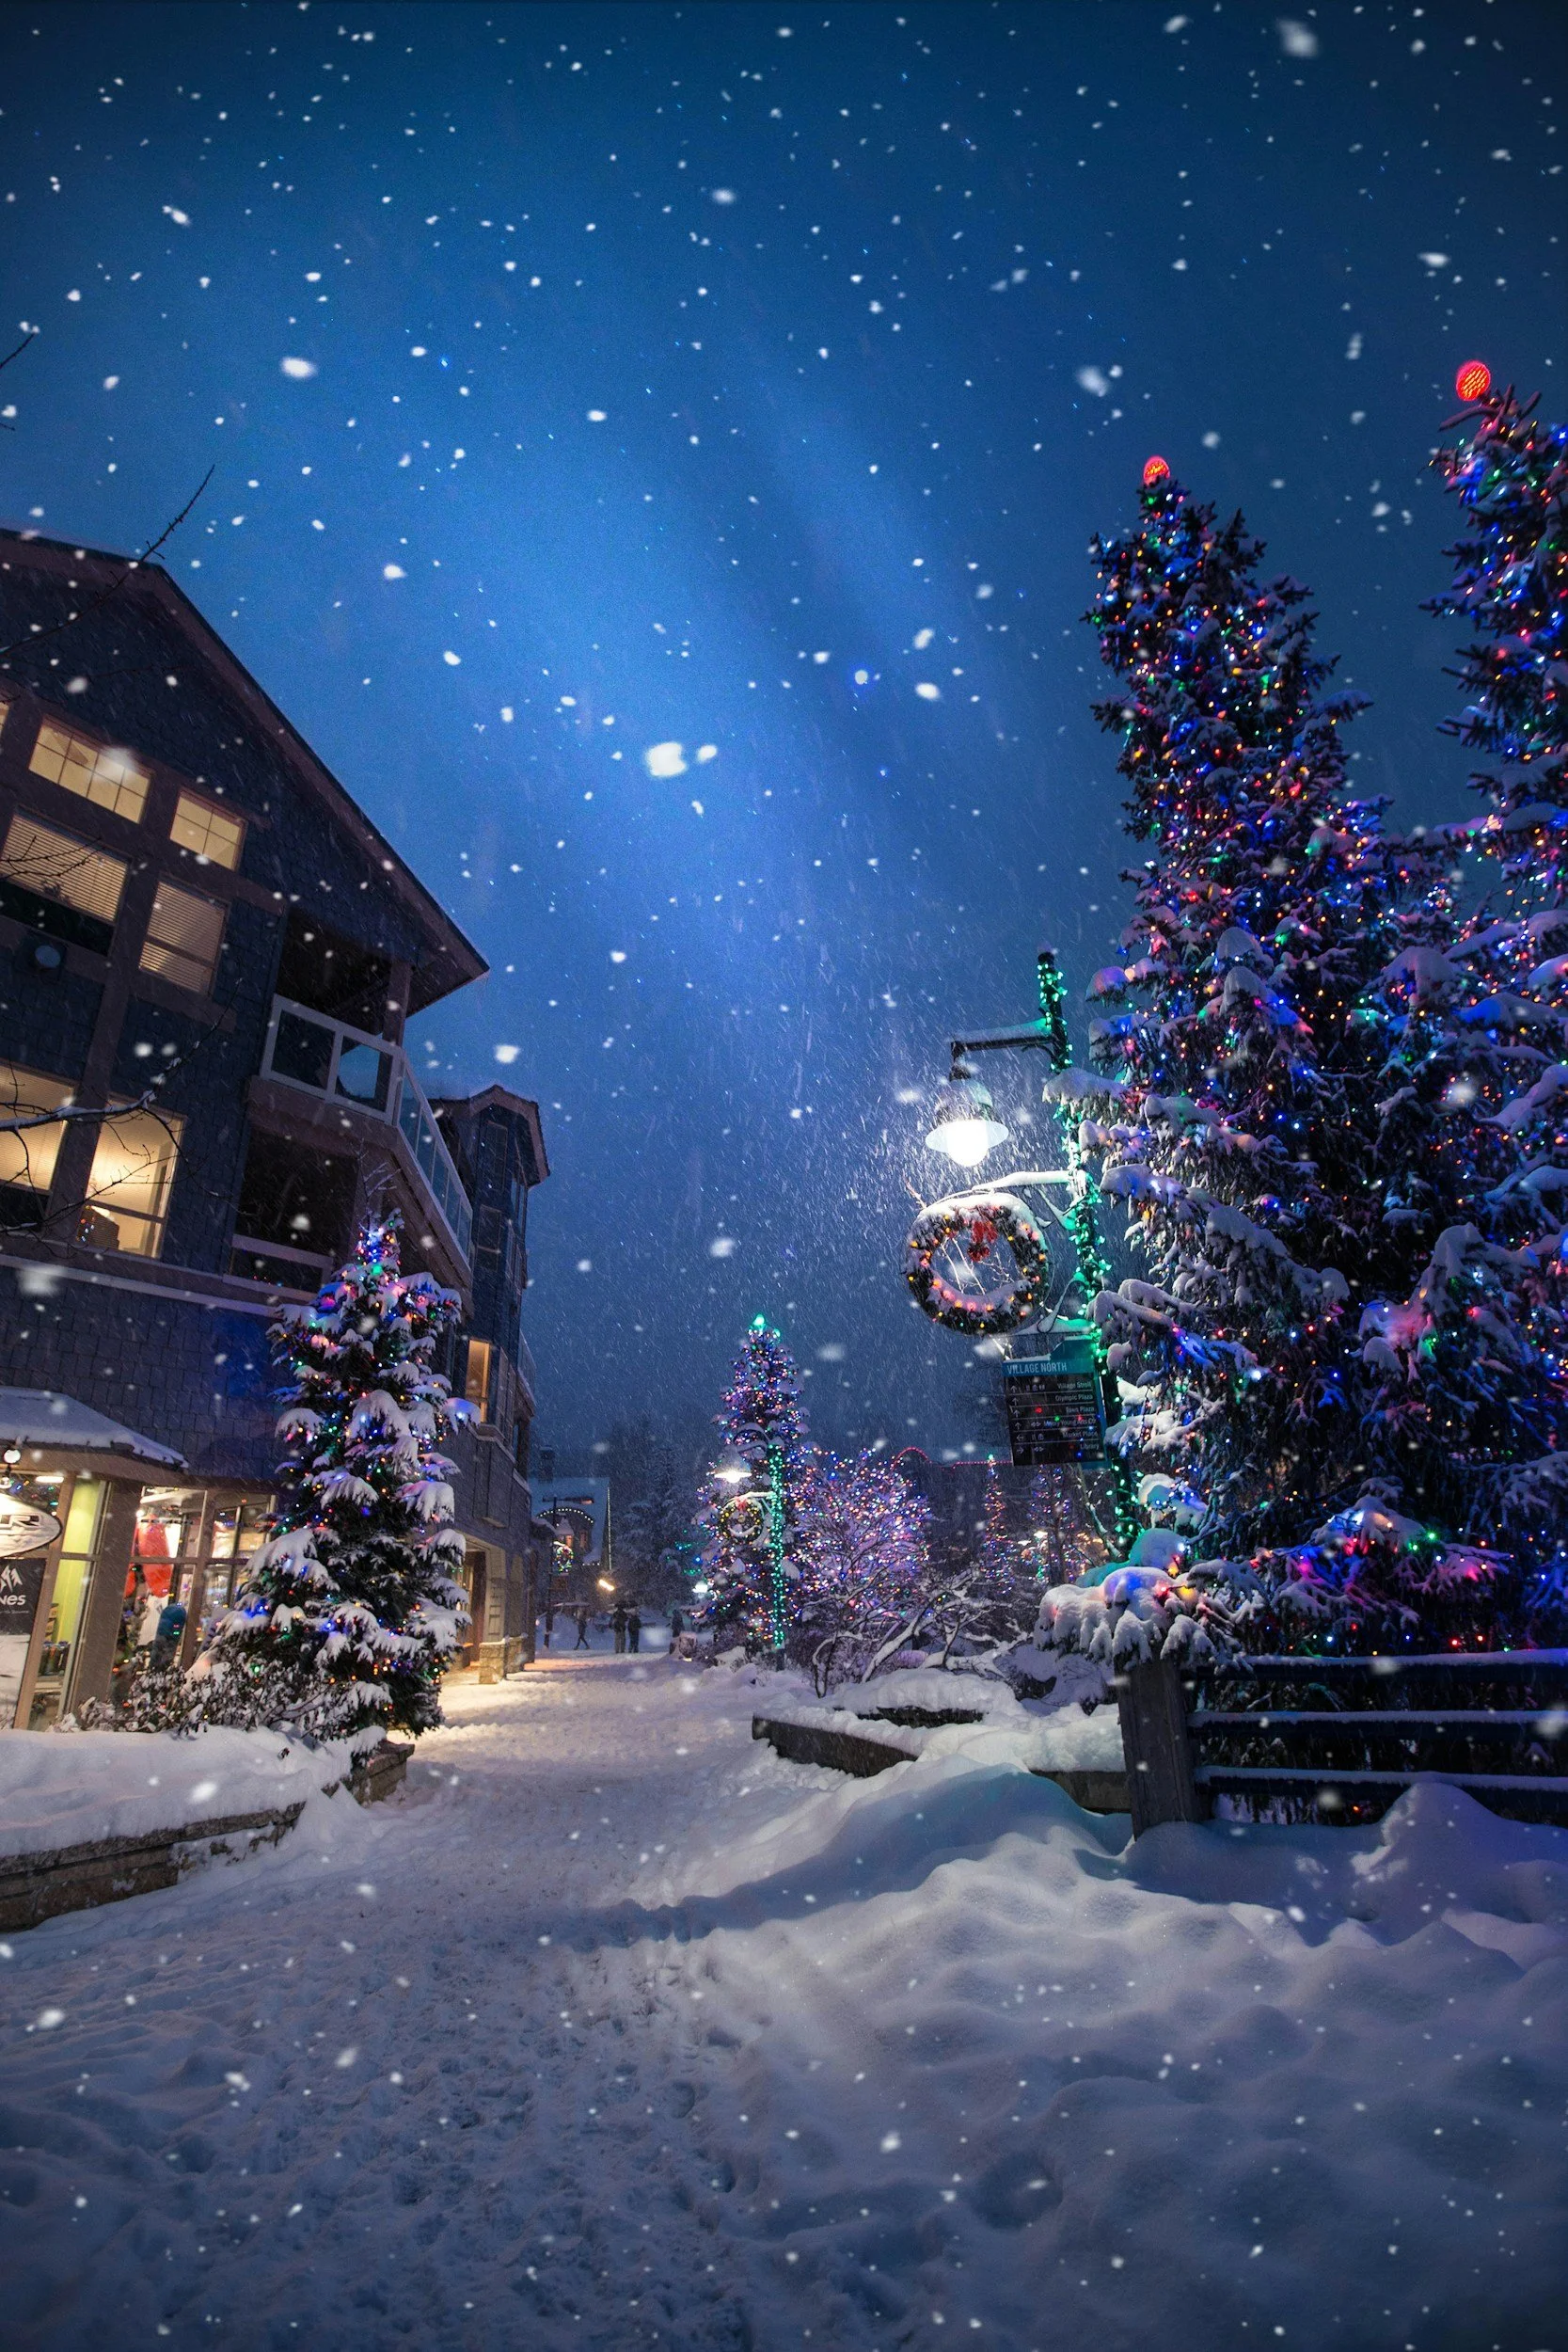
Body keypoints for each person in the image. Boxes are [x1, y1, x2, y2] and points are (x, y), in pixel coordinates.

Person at [150, 1596, 186, 1669]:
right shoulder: (180, 1613)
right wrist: (176, 1635)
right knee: (166, 1656)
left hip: (161, 1636)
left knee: (156, 1654)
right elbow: (176, 1632)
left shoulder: (168, 1611)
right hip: (169, 1639)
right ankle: (161, 1669)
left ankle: (153, 1669)